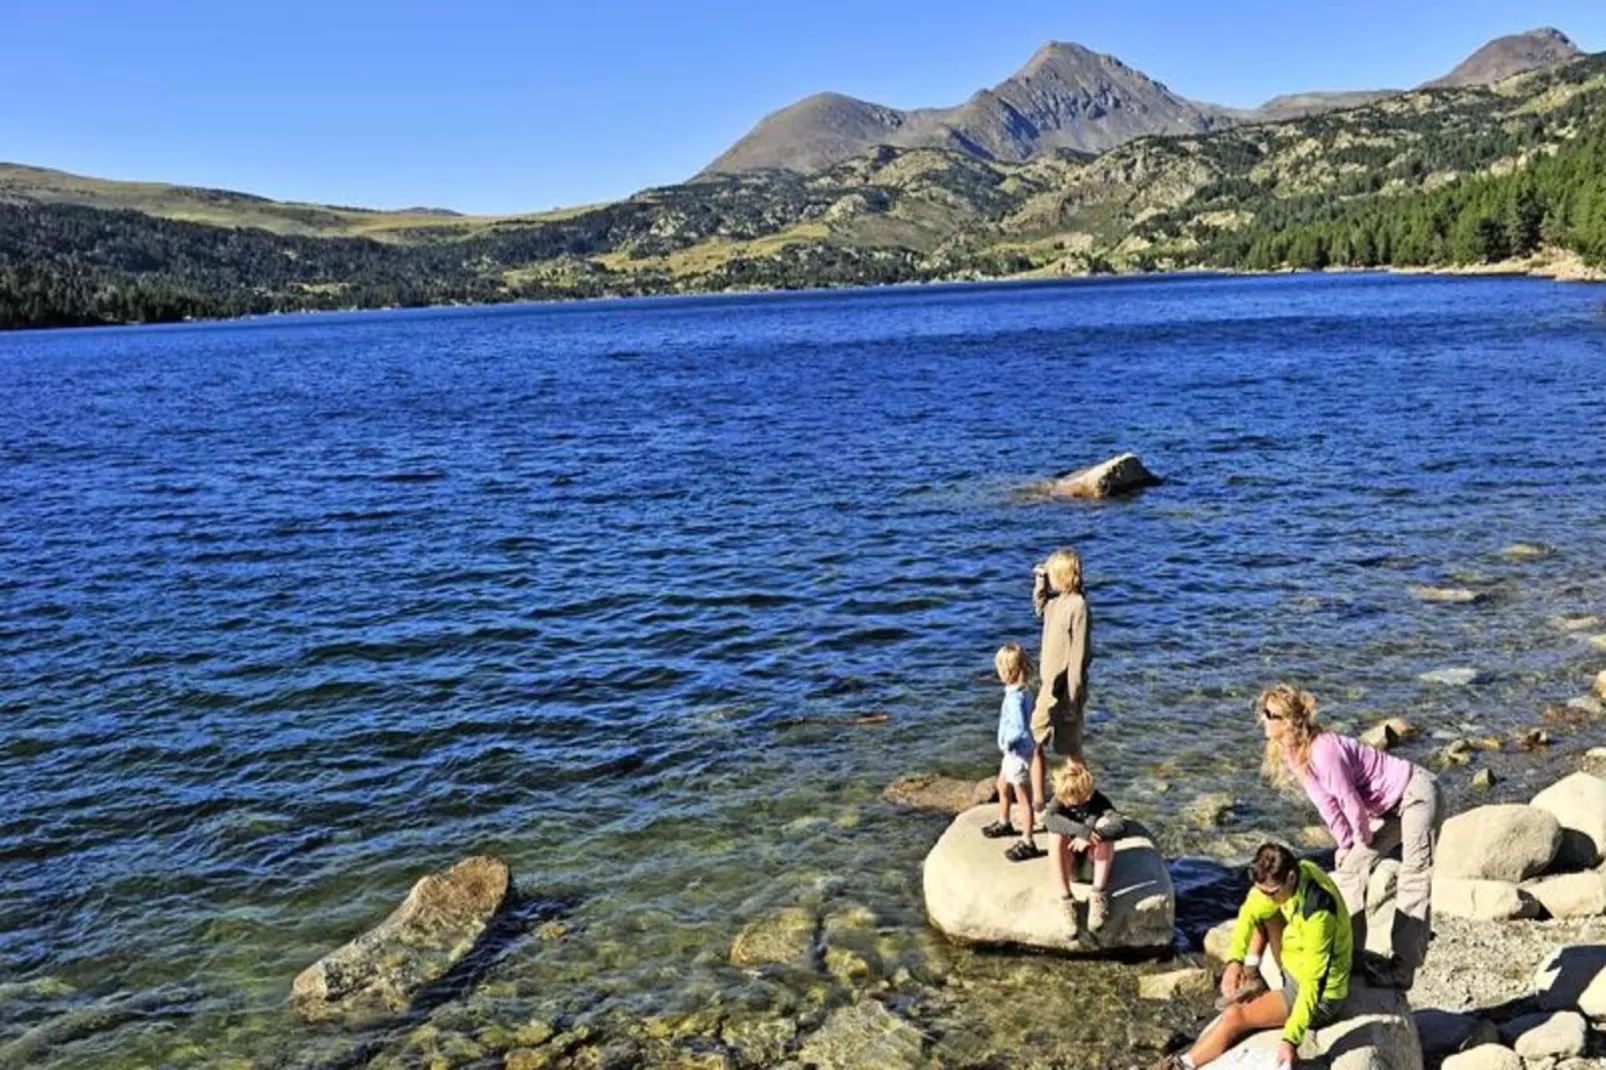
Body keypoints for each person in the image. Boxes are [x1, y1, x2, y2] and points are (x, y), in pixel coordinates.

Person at [1258, 683, 1445, 989]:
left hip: (1416, 794)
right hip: (1386, 808)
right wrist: (1346, 844)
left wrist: (1360, 837)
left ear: (1289, 722)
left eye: (1270, 714)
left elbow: (1349, 802)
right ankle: (1352, 953)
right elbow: (1325, 803)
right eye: (1264, 713)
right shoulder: (1294, 752)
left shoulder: (1324, 749)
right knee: (1350, 867)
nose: (1263, 720)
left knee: (1414, 876)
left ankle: (1403, 967)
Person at [1153, 843, 1351, 1070]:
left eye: (1271, 892)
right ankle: (1253, 975)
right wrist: (1235, 961)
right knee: (1262, 913)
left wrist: (1290, 1040)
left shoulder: (1318, 914)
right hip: (1294, 959)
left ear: (1290, 877)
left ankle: (1182, 1065)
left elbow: (1311, 986)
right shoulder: (1296, 874)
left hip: (1318, 995)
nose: (1266, 896)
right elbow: (1249, 912)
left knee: (1234, 1016)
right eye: (1261, 890)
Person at [1031, 548, 1091, 813]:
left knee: (1071, 748)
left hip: (1066, 689)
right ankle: (1037, 801)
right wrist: (1040, 583)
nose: (1050, 577)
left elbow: (1078, 656)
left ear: (1063, 575)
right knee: (1032, 740)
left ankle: (1082, 800)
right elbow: (1040, 608)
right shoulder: (1055, 604)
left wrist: (1073, 696)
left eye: (1052, 573)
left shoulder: (1078, 605)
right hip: (1047, 688)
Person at [1042, 758, 1125, 939]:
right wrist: (1082, 831)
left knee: (1105, 828)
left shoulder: (1098, 801)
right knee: (1055, 834)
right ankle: (1066, 899)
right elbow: (1048, 819)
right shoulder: (1059, 800)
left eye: (1071, 800)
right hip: (1070, 862)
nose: (1066, 802)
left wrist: (1095, 835)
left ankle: (1098, 895)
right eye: (1063, 798)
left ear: (1085, 795)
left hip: (1092, 862)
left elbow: (1120, 825)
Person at [981, 642, 1044, 862]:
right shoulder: (1021, 692)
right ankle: (1004, 821)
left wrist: (1007, 742)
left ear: (1008, 671)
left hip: (1017, 753)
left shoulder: (1016, 697)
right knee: (1001, 785)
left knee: (1022, 797)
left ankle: (1028, 841)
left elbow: (1018, 727)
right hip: (1014, 754)